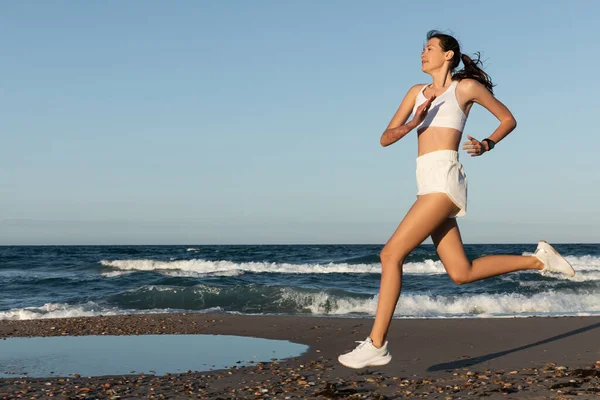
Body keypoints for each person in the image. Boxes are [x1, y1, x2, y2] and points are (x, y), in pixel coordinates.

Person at [337, 30, 576, 369]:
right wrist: (413, 123)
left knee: (390, 254)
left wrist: (488, 144)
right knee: (461, 272)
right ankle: (539, 260)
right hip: (425, 181)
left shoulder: (464, 88)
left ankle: (376, 344)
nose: (423, 53)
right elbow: (384, 138)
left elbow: (508, 119)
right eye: (423, 49)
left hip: (444, 180)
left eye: (430, 48)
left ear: (448, 55)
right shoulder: (415, 93)